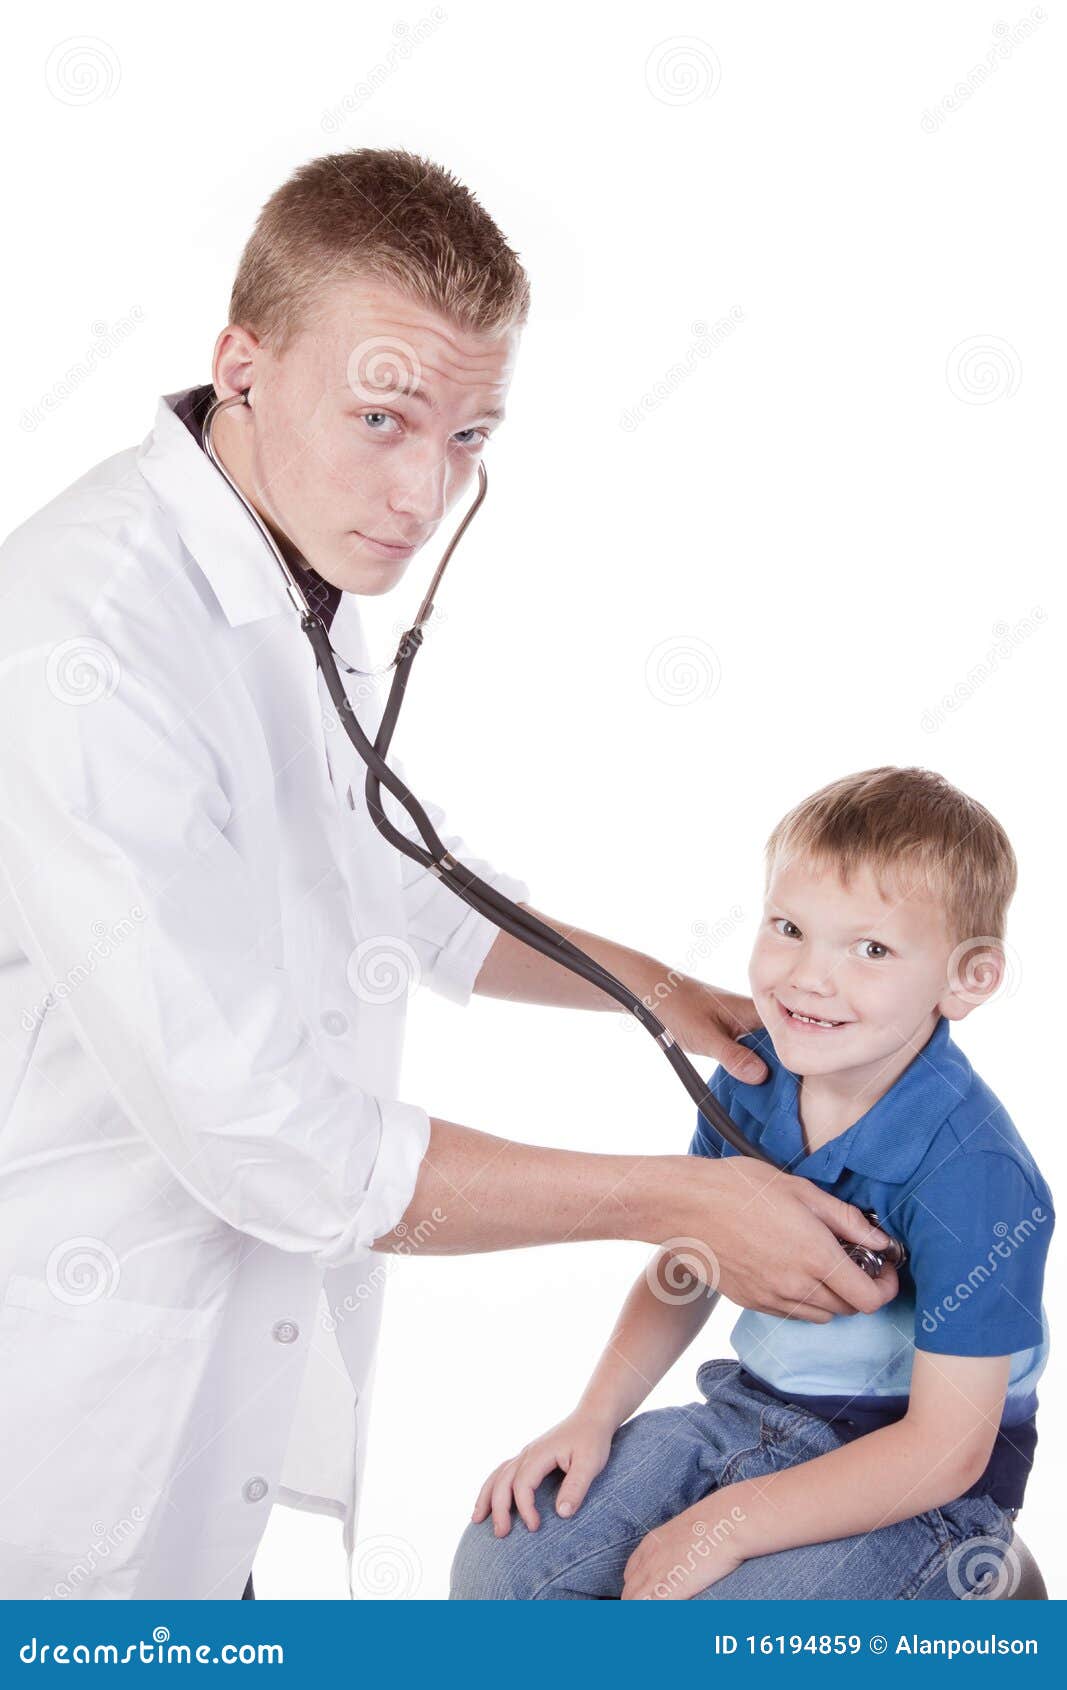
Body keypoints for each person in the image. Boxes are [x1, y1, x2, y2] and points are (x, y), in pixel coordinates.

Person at [0, 149, 896, 1601]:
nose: (422, 491)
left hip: (190, 1407)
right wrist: (678, 1205)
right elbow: (266, 1136)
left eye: (469, 435)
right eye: (382, 418)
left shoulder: (278, 553)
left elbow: (394, 876)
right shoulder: (87, 643)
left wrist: (659, 993)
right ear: (241, 361)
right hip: (56, 1423)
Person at [450, 767, 1054, 1601]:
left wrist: (719, 1526)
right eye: (788, 927)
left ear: (968, 978)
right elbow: (686, 1259)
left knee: (715, 1623)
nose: (807, 977)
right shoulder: (753, 1076)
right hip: (750, 1415)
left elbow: (946, 1451)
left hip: (923, 1494)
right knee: (503, 1560)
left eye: (870, 949)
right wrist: (593, 1415)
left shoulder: (974, 1171)